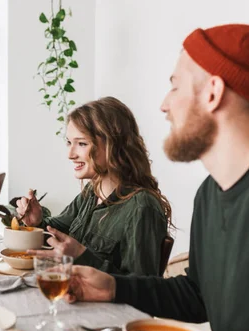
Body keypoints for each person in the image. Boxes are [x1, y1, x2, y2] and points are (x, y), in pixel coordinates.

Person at [65, 24, 249, 331]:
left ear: (213, 92)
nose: (164, 105)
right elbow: (197, 296)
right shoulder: (209, 196)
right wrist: (114, 287)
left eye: (175, 87)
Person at [17, 97, 172, 276]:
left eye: (82, 143)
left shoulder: (142, 207)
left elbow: (143, 289)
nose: (70, 154)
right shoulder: (91, 193)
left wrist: (81, 257)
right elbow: (57, 234)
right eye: (69, 142)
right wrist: (37, 222)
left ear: (114, 146)